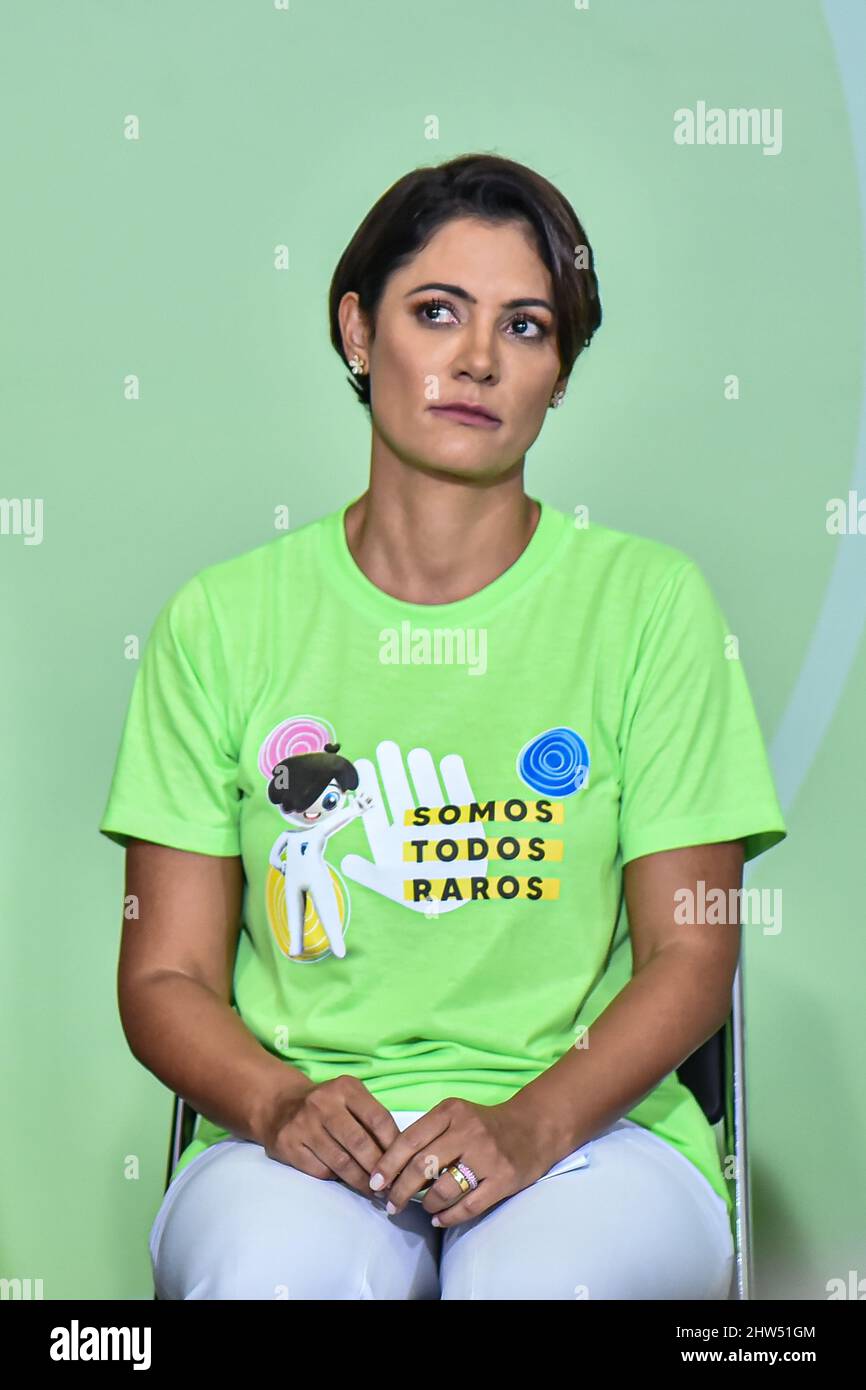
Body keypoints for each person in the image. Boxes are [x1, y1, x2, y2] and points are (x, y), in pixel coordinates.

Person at [99, 152, 787, 1300]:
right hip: (307, 1133)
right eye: (436, 313)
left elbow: (689, 951)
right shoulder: (220, 621)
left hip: (590, 1134)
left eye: (525, 326)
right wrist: (276, 1102)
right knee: (275, 1279)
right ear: (358, 332)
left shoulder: (649, 604)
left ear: (559, 373)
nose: (476, 360)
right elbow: (165, 972)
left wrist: (532, 1125)